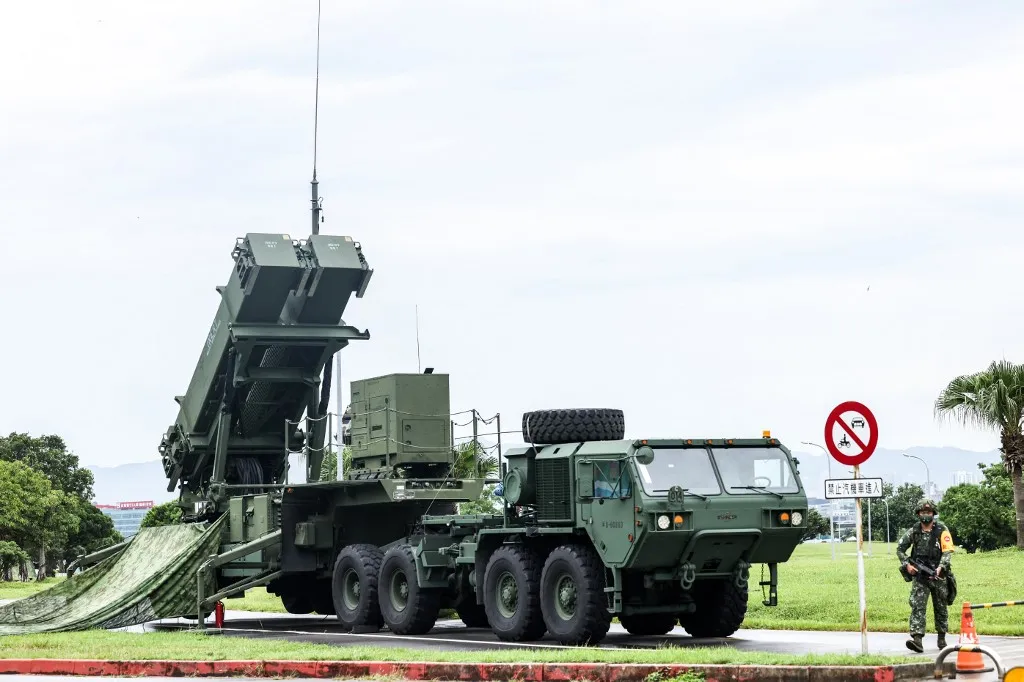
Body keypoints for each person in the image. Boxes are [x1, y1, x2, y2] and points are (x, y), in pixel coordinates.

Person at [896, 499, 955, 652]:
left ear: (933, 513)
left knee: (941, 607)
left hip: (938, 575)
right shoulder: (914, 531)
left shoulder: (942, 530)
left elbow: (947, 551)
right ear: (918, 514)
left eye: (928, 512)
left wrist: (941, 567)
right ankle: (917, 639)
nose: (926, 515)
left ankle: (942, 638)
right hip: (920, 577)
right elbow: (900, 549)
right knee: (917, 606)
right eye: (923, 512)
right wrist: (907, 565)